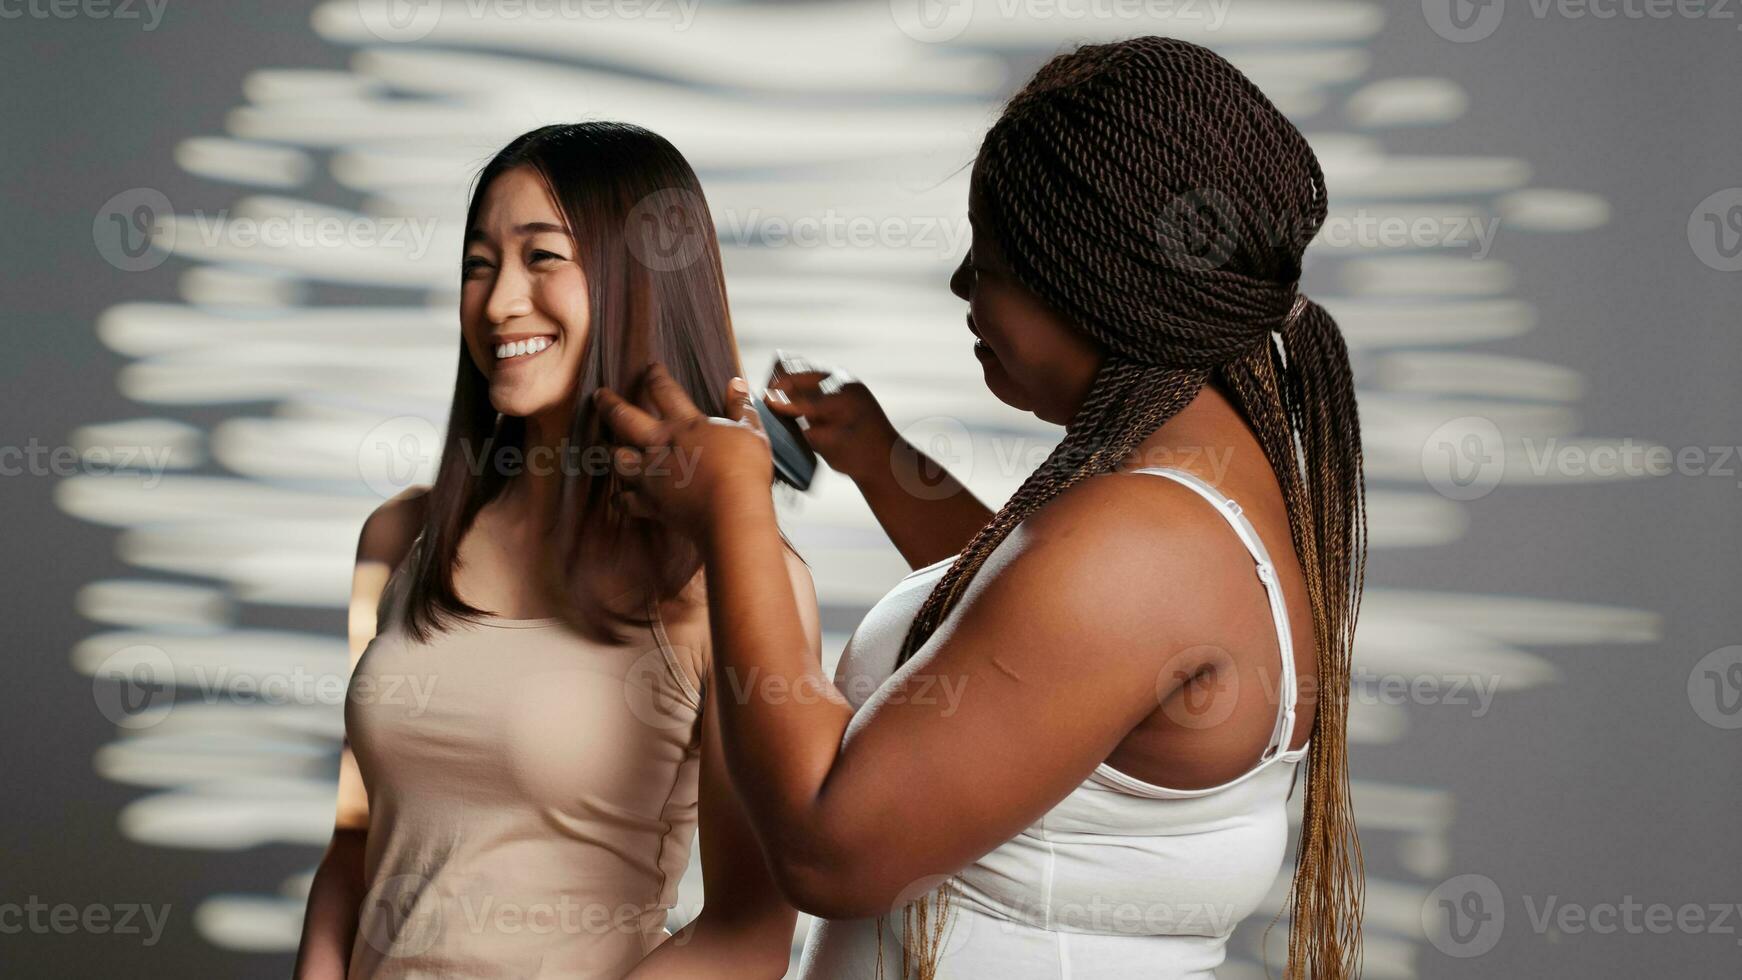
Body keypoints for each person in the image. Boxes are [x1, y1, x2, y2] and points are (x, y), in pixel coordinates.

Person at [596, 37, 1367, 979]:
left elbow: (828, 851)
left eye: (993, 259)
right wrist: (884, 463)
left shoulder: (1142, 549)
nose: (962, 285)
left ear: (1095, 279)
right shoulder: (1191, 507)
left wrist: (731, 516)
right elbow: (1026, 668)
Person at [291, 122, 809, 980]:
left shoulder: (734, 579)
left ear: (639, 281)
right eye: (478, 263)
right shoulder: (397, 539)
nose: (497, 303)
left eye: (543, 258)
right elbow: (355, 841)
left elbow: (749, 934)